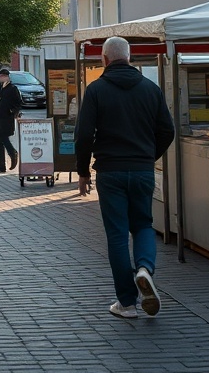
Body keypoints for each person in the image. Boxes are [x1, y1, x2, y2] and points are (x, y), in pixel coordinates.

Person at [76, 36, 175, 320]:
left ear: (104, 59)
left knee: (117, 235)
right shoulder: (150, 89)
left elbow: (83, 135)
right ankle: (144, 268)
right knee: (143, 224)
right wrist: (148, 156)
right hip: (142, 169)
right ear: (129, 57)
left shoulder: (96, 90)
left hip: (110, 171)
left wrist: (83, 171)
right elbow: (167, 131)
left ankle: (127, 303)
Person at [0, 68, 21, 173]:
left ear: (6, 77)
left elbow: (18, 103)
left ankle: (12, 153)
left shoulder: (12, 88)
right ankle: (1, 165)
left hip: (6, 118)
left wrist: (12, 111)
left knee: (4, 137)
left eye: (1, 76)